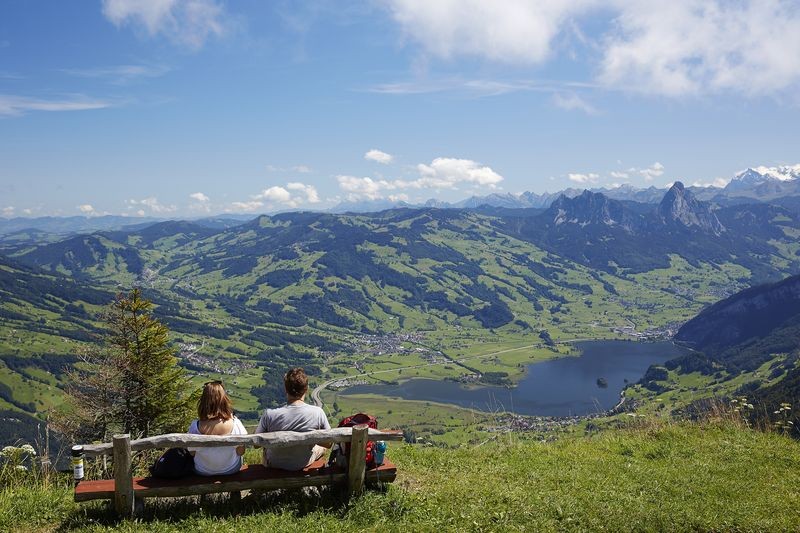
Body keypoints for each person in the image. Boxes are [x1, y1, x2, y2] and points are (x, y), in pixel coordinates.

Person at [256, 367, 331, 470]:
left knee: (266, 449)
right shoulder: (318, 413)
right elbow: (328, 443)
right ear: (306, 389)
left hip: (274, 463)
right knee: (321, 448)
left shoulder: (269, 414)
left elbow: (256, 444)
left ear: (286, 389)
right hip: (302, 462)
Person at [187, 381, 247, 476]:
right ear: (224, 400)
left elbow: (192, 453)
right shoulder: (235, 423)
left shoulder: (196, 426)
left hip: (202, 471)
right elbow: (241, 452)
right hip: (230, 469)